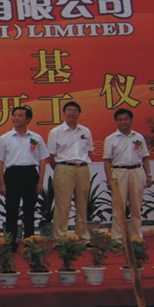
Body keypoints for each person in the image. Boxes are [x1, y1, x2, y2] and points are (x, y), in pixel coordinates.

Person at [0, 106, 49, 252]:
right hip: (12, 174)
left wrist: (40, 181)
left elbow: (42, 160)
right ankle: (11, 243)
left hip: (31, 174)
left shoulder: (36, 138)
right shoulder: (5, 138)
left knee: (29, 210)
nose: (16, 118)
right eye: (14, 115)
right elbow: (0, 161)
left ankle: (29, 241)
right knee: (11, 210)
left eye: (20, 116)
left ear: (28, 119)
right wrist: (2, 183)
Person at [47, 101, 94, 240]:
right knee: (62, 205)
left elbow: (89, 151)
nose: (72, 113)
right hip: (63, 168)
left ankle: (82, 237)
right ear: (64, 113)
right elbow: (51, 155)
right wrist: (60, 169)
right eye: (69, 110)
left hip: (82, 169)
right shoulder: (55, 132)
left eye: (75, 110)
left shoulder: (85, 131)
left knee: (82, 205)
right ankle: (60, 238)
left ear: (79, 113)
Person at [103, 108, 152, 240]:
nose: (123, 122)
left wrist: (149, 175)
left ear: (131, 120)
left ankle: (136, 235)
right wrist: (109, 179)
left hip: (136, 171)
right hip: (119, 172)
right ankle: (118, 237)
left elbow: (145, 157)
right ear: (116, 121)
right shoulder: (110, 139)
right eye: (120, 120)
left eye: (126, 119)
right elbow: (107, 161)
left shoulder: (139, 137)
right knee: (119, 207)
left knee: (136, 206)